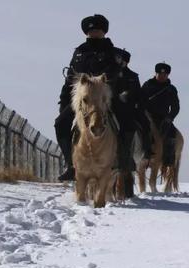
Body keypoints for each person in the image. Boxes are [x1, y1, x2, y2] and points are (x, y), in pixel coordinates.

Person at [55, 14, 123, 181]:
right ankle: (71, 163)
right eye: (90, 30)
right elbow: (70, 79)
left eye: (97, 30)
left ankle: (121, 159)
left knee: (126, 122)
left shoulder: (112, 52)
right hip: (82, 100)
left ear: (104, 31)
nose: (93, 33)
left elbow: (115, 75)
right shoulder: (79, 52)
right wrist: (64, 100)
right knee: (60, 124)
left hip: (104, 99)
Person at [113, 48, 153, 161]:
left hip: (128, 109)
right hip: (111, 106)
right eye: (116, 58)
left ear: (125, 61)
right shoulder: (109, 74)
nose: (118, 61)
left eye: (120, 59)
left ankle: (147, 150)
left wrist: (137, 105)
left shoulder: (132, 76)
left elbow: (139, 94)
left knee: (145, 123)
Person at [141, 62, 180, 166]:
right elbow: (140, 101)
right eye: (160, 74)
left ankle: (168, 159)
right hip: (147, 117)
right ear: (156, 73)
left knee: (171, 133)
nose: (162, 76)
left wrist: (169, 118)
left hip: (163, 118)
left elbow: (175, 107)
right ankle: (143, 153)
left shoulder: (171, 89)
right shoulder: (147, 85)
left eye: (165, 74)